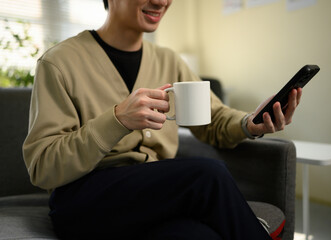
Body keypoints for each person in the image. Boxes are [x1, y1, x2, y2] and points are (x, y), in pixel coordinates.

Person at [23, 0, 302, 239]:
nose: (161, 1)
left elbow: (214, 118)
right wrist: (117, 119)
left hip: (152, 198)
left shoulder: (170, 60)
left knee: (199, 236)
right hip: (84, 201)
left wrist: (250, 122)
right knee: (208, 174)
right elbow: (43, 165)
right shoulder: (59, 62)